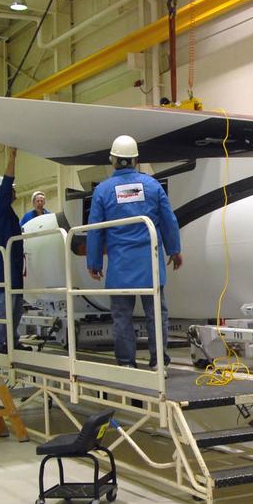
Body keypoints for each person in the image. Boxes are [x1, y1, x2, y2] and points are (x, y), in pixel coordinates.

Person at [86, 135, 182, 368]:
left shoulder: (103, 190)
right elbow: (169, 221)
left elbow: (95, 230)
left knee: (122, 317)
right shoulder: (152, 185)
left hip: (121, 267)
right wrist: (175, 249)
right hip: (150, 263)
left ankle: (127, 362)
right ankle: (158, 361)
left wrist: (94, 262)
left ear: (113, 160)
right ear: (136, 159)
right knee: (156, 315)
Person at [0, 146, 24, 352]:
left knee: (16, 303)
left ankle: (11, 339)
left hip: (14, 264)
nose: (15, 191)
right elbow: (7, 183)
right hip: (4, 264)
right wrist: (11, 159)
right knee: (5, 302)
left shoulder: (6, 211)